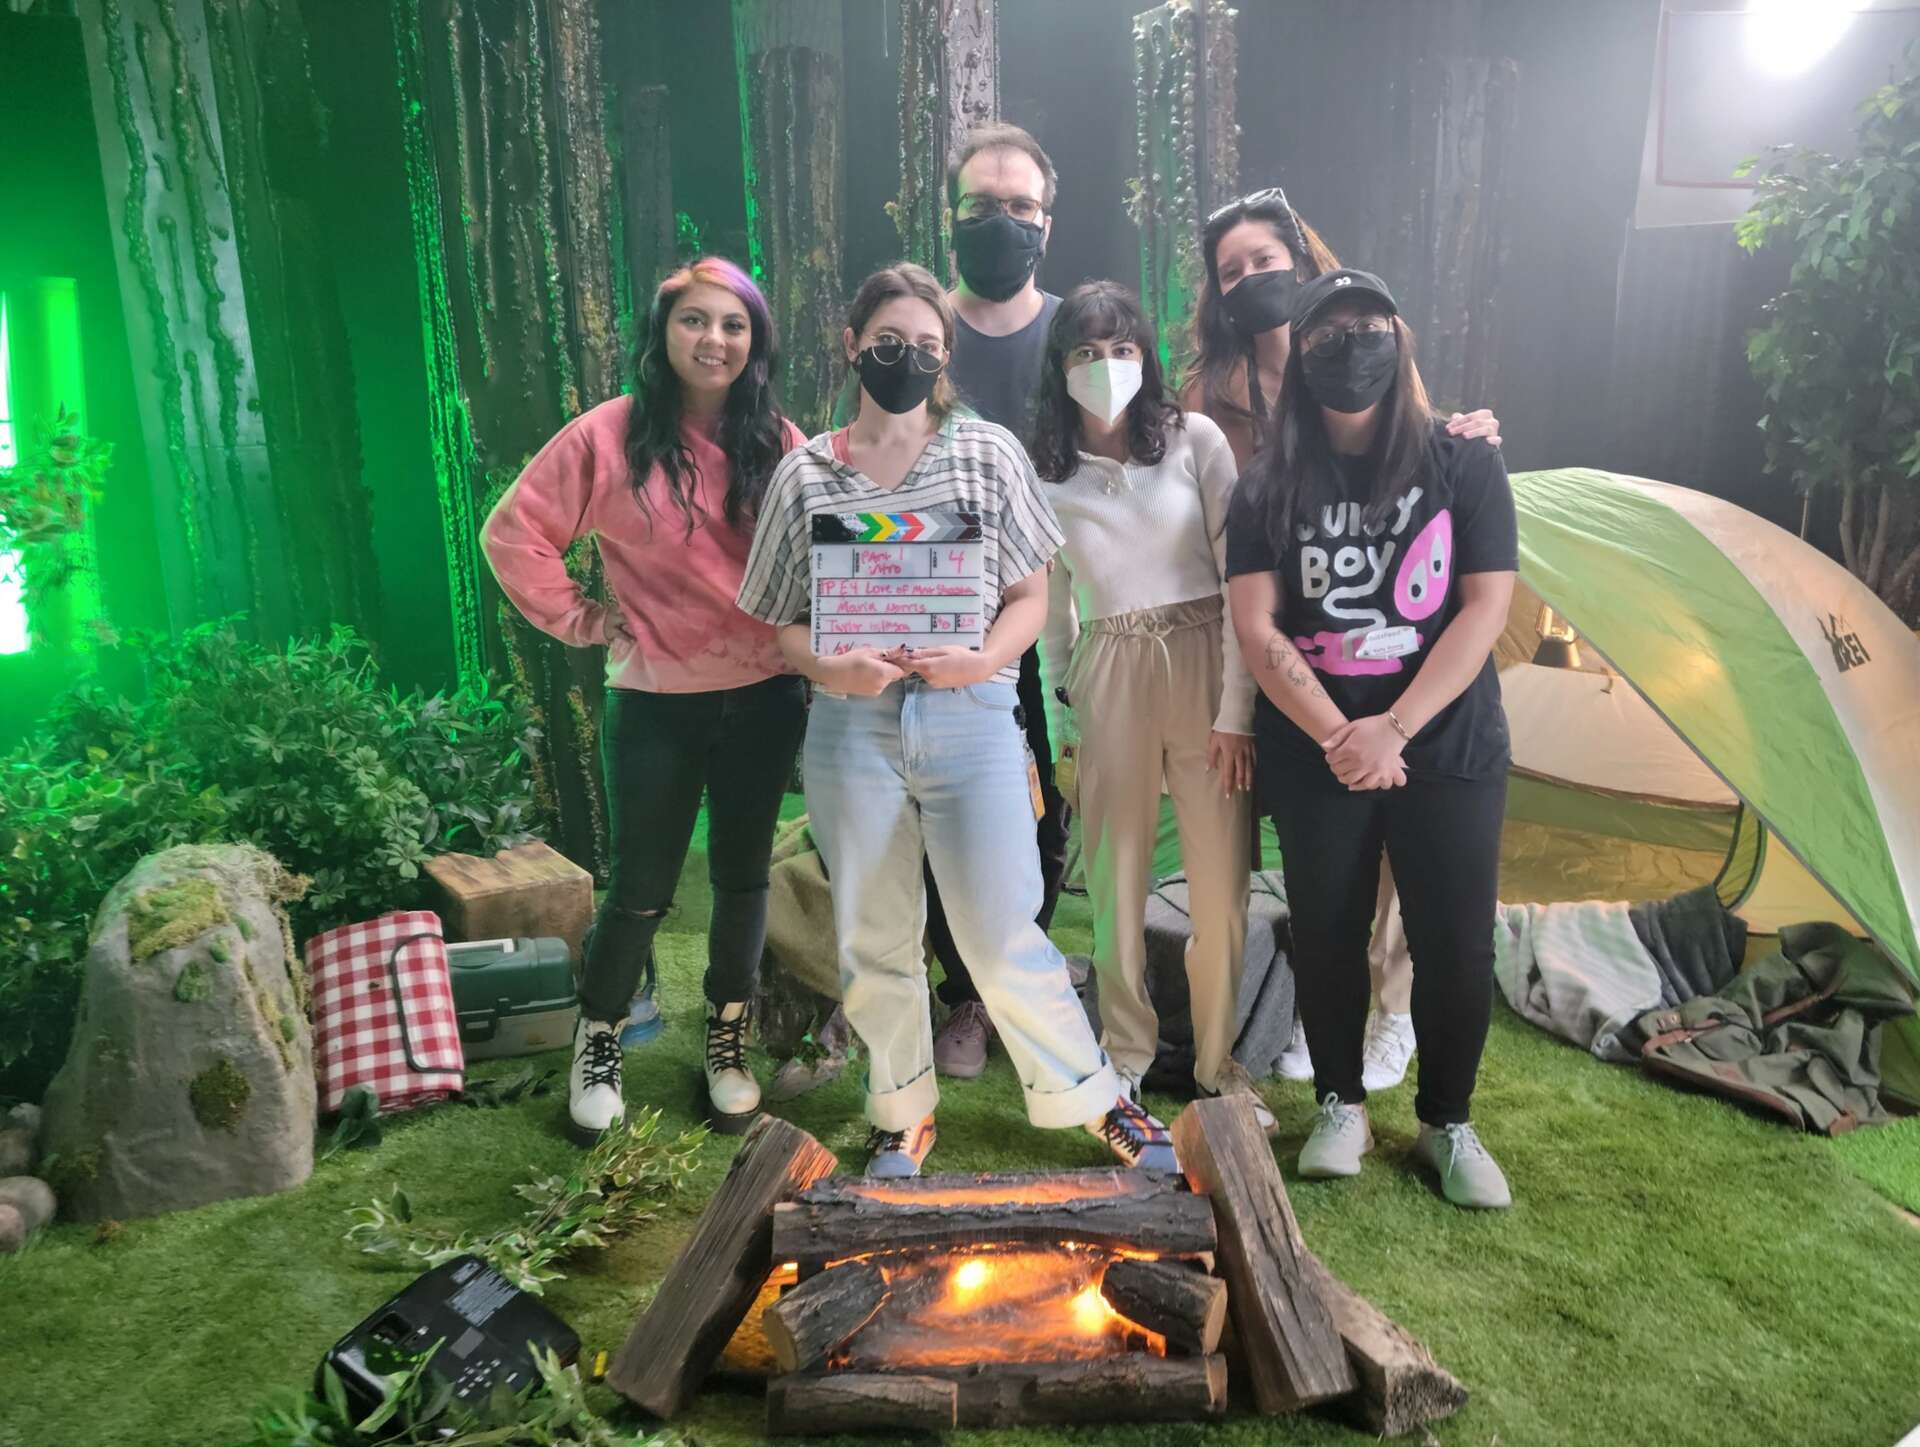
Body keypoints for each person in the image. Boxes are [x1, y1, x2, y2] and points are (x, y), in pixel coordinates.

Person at [736, 262, 1175, 1179]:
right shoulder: (805, 472)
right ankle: (900, 1112)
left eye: (927, 346)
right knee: (871, 932)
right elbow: (779, 622)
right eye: (888, 342)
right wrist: (828, 664)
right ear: (853, 345)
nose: (907, 358)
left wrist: (981, 660)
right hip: (851, 728)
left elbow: (1031, 595)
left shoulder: (987, 452)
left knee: (1002, 930)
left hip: (972, 718)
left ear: (946, 358)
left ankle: (1094, 1096)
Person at [1183, 187, 1503, 1096]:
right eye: (1232, 271)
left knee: (1423, 879)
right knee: (1327, 885)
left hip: (1413, 682)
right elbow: (1241, 585)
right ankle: (1332, 1041)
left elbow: (1432, 469)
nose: (1252, 278)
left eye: (1265, 260)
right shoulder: (1209, 394)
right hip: (1298, 665)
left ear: (1303, 262)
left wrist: (1469, 432)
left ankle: (1394, 1016)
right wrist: (1291, 719)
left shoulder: (1371, 347)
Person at [483, 257, 807, 1142]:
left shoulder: (781, 441)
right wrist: (584, 619)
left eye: (734, 324)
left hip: (767, 693)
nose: (714, 339)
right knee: (640, 888)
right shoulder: (607, 435)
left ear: (755, 342)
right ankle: (599, 1035)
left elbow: (831, 550)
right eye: (694, 320)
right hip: (657, 699)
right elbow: (513, 533)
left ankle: (727, 1039)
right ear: (663, 332)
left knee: (744, 877)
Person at [1224, 268, 1517, 1209]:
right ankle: (1339, 1101)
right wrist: (1341, 736)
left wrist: (1393, 727)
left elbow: (1485, 608)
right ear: (1299, 354)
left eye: (1368, 327)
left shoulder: (1463, 461)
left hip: (1447, 741)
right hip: (1317, 750)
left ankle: (1447, 1119)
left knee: (1456, 943)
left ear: (1400, 340)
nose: (1349, 348)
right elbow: (1258, 626)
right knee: (1327, 932)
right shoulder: (1265, 483)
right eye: (1325, 334)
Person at [1030, 281, 1276, 1135]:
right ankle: (1124, 1056)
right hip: (1108, 671)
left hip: (1207, 660)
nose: (1106, 366)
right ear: (1060, 366)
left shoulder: (1194, 440)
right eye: (1086, 351)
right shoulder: (1045, 475)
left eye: (1123, 348)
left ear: (1147, 356)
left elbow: (1242, 581)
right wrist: (1064, 725)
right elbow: (1052, 622)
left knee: (1221, 888)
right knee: (1115, 881)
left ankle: (1217, 1064)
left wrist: (1238, 709)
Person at [918, 122, 1070, 1080]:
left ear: (1047, 222)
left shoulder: (1077, 333)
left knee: (1044, 809)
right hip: (939, 616)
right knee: (940, 812)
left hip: (1058, 622)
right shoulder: (917, 328)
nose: (1002, 222)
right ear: (951, 217)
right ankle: (959, 996)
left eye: (1020, 206)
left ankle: (1017, 981)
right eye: (981, 206)